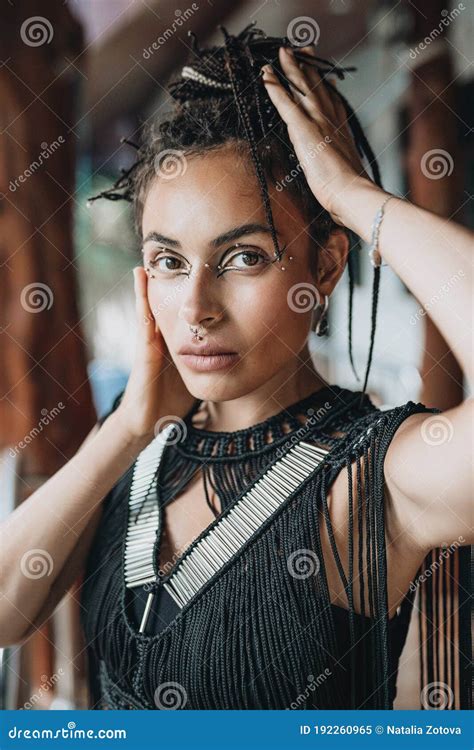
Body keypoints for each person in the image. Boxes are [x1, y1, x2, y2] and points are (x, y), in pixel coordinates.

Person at [0, 24, 471, 711]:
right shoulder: (136, 454)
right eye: (169, 261)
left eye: (244, 257)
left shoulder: (371, 474)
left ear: (328, 264)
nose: (195, 307)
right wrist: (129, 428)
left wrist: (352, 198)